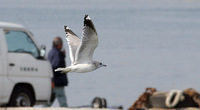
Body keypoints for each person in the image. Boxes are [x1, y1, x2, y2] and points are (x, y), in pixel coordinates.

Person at [47, 36, 68, 107]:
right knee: (63, 102)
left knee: (48, 103)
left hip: (52, 82)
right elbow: (55, 68)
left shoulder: (50, 52)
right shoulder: (58, 54)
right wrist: (62, 55)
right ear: (59, 44)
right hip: (57, 82)